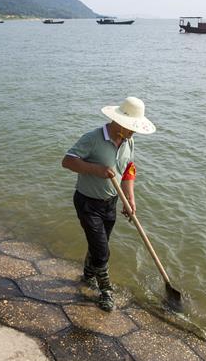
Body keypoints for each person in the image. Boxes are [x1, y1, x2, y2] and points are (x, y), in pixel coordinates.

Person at [62, 96, 156, 311]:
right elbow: (67, 161)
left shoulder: (128, 141)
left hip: (110, 202)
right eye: (131, 127)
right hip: (87, 202)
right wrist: (96, 170)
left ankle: (88, 274)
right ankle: (106, 291)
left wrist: (129, 198)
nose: (133, 132)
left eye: (134, 128)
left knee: (99, 244)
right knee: (102, 250)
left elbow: (129, 169)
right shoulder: (93, 139)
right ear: (118, 121)